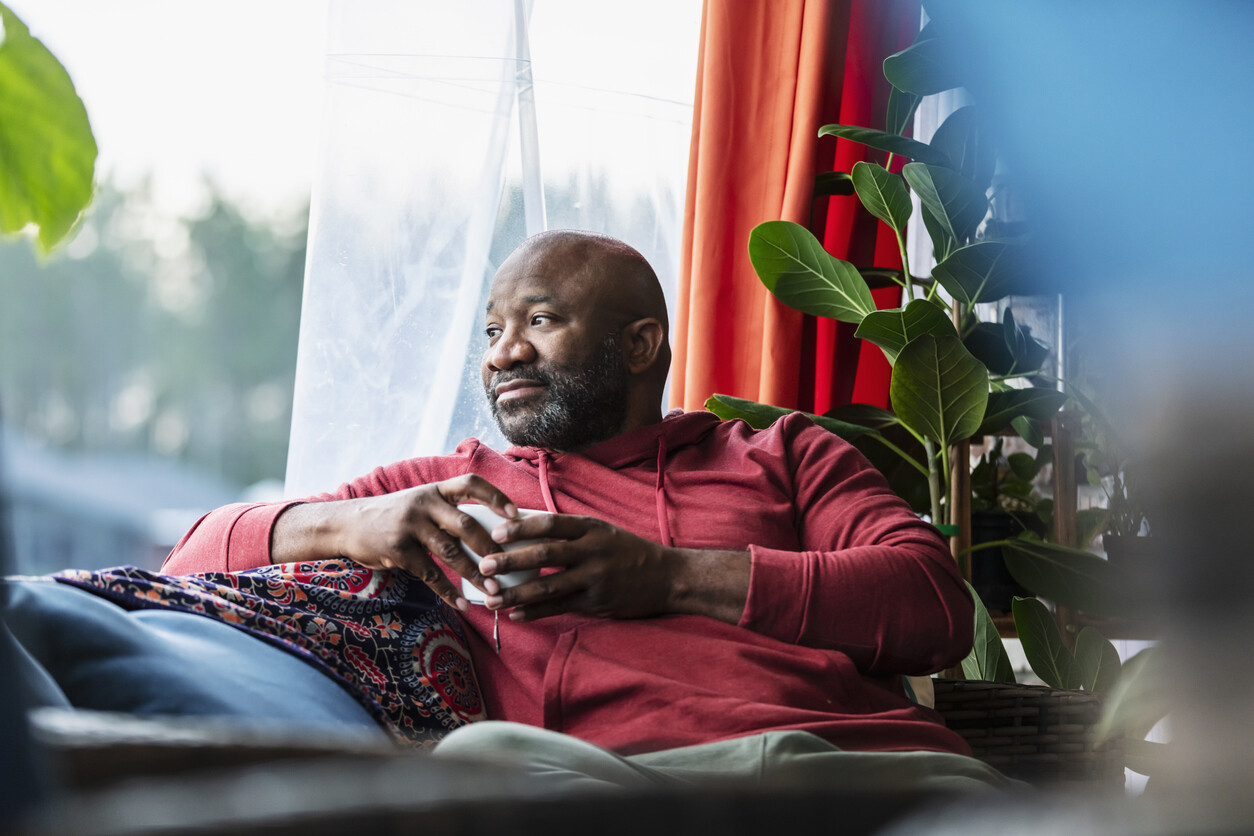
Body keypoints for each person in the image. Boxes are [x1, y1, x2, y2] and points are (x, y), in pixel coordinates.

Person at [158, 230, 1004, 791]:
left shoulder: (782, 455)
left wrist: (667, 576)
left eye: (540, 320)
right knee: (478, 761)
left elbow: (932, 606)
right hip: (611, 789)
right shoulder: (446, 489)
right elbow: (186, 561)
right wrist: (356, 525)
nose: (504, 353)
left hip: (859, 768)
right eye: (491, 332)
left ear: (640, 344)